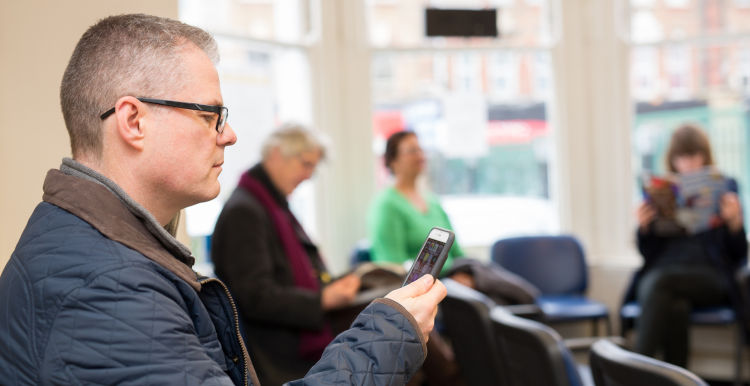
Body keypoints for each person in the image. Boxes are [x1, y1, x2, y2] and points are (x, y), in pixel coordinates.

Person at [0, 14, 446, 386]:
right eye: (210, 115)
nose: (229, 135)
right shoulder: (109, 288)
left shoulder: (87, 244)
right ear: (133, 121)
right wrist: (390, 331)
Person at [211, 125, 362, 385]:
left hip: (289, 343)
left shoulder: (271, 204)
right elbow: (256, 297)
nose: (309, 175)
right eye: (306, 164)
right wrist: (321, 300)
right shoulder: (245, 212)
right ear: (277, 154)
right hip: (276, 357)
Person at [625, 124, 748, 368]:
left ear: (705, 155)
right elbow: (646, 252)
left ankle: (634, 373)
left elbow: (738, 256)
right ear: (672, 160)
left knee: (659, 282)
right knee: (676, 307)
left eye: (694, 155)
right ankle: (677, 381)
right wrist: (644, 228)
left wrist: (735, 223)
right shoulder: (661, 192)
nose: (688, 163)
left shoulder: (725, 188)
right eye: (681, 157)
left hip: (708, 276)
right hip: (665, 274)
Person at [368, 131, 465, 274]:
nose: (420, 155)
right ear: (393, 161)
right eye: (412, 151)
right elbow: (393, 264)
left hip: (454, 278)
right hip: (423, 287)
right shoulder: (386, 205)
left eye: (421, 150)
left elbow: (457, 251)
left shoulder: (433, 202)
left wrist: (465, 274)